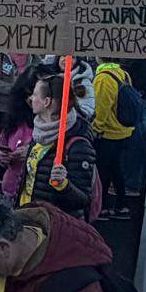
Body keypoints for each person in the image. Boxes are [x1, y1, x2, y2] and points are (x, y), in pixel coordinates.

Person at [18, 69, 98, 219]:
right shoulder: (40, 131)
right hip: (29, 216)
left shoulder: (78, 146)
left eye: (35, 94)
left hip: (53, 225)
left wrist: (64, 185)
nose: (30, 98)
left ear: (46, 102)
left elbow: (83, 200)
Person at [91, 60, 137, 221]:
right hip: (122, 130)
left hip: (108, 133)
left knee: (103, 171)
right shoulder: (122, 73)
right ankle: (121, 205)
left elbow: (101, 110)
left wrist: (94, 131)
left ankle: (102, 207)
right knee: (116, 169)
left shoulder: (103, 79)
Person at [0, 65, 39, 199]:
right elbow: (1, 144)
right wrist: (2, 157)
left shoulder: (56, 125)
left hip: (37, 193)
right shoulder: (15, 120)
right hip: (12, 189)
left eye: (36, 94)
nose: (31, 99)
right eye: (27, 94)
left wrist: (31, 152)